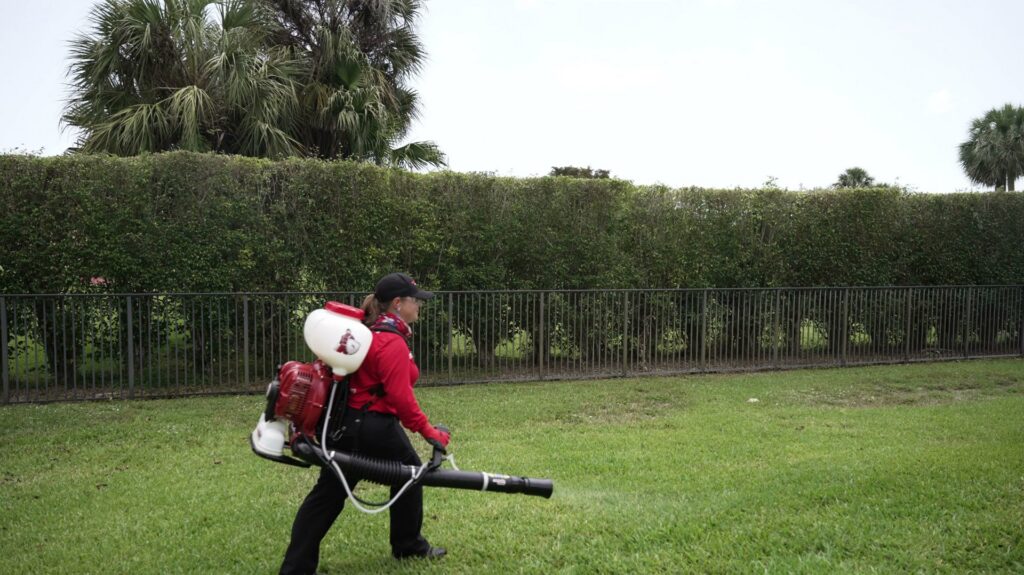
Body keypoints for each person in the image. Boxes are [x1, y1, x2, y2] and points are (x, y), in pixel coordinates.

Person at [279, 273, 450, 575]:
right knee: (411, 474)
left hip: (345, 426)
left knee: (327, 496)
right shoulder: (391, 342)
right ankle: (408, 545)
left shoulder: (366, 333)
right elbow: (402, 401)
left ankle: (296, 567)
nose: (419, 306)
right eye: (415, 300)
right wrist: (431, 433)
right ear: (398, 304)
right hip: (375, 427)